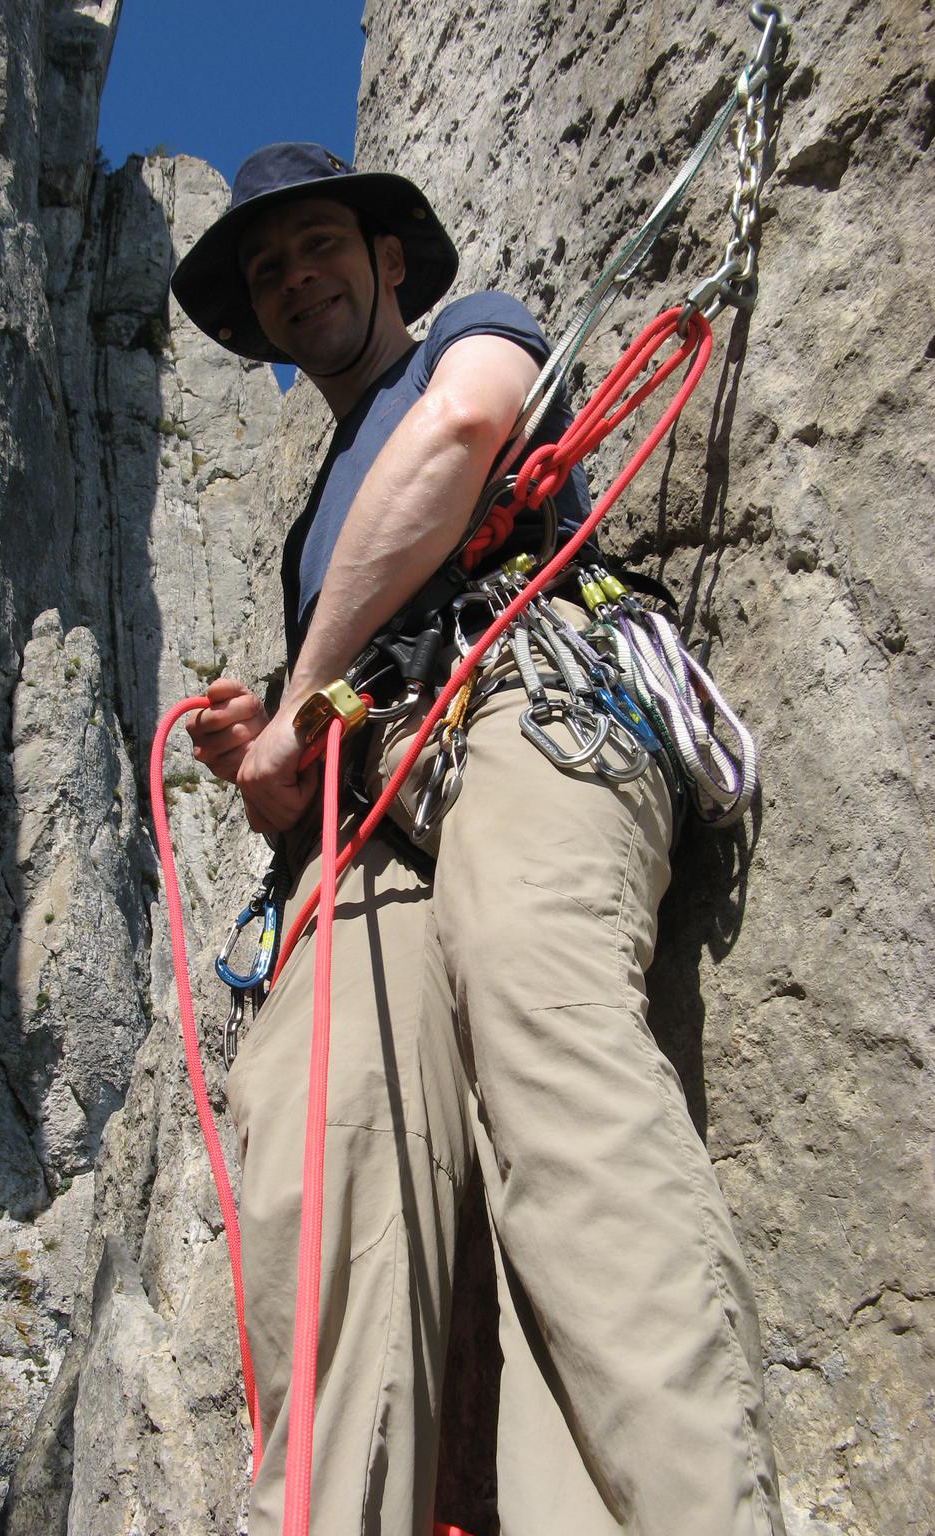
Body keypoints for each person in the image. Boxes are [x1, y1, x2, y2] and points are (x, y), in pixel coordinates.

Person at [171, 142, 785, 1536]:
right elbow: (315, 730)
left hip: (522, 691)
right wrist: (273, 757)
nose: (293, 279)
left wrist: (293, 709)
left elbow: (464, 438)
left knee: (537, 1025)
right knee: (316, 1142)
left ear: (390, 261)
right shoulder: (315, 523)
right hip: (375, 804)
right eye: (266, 271)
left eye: (319, 245)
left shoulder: (476, 331)